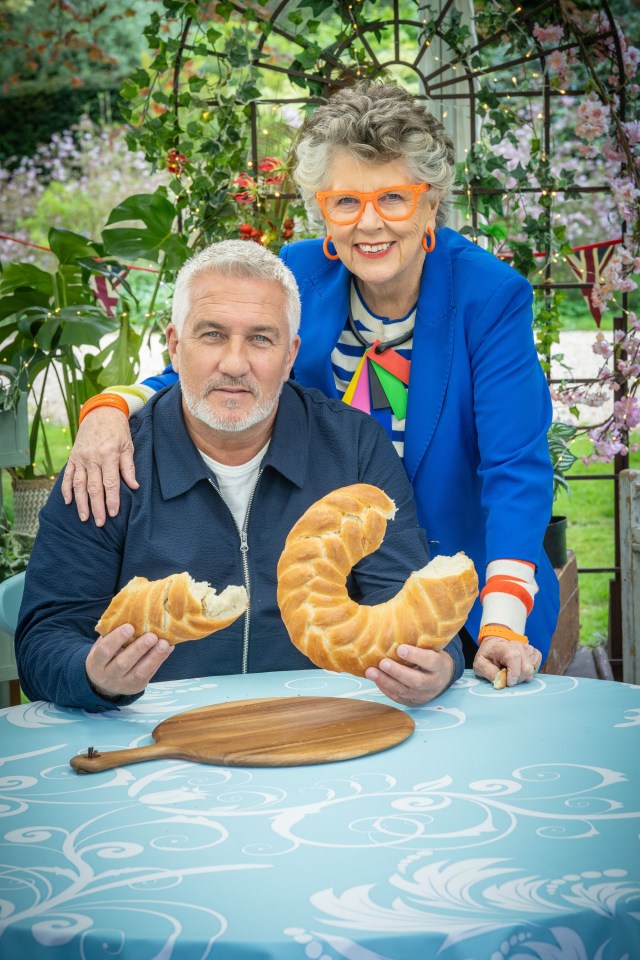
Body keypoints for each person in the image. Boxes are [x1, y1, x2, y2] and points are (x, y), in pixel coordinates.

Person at [61, 80, 554, 684]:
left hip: (465, 590)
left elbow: (515, 471)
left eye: (394, 198)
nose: (369, 224)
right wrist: (110, 406)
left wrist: (502, 620)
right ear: (323, 207)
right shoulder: (299, 271)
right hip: (336, 587)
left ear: (431, 204)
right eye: (345, 201)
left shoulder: (490, 297)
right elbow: (216, 364)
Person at [15, 240, 467, 711]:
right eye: (211, 334)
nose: (234, 364)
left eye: (260, 338)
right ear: (174, 345)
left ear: (291, 354)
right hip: (153, 736)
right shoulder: (107, 461)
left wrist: (440, 663)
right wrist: (92, 674)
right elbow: (44, 639)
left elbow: (412, 598)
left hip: (322, 730)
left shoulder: (352, 446)